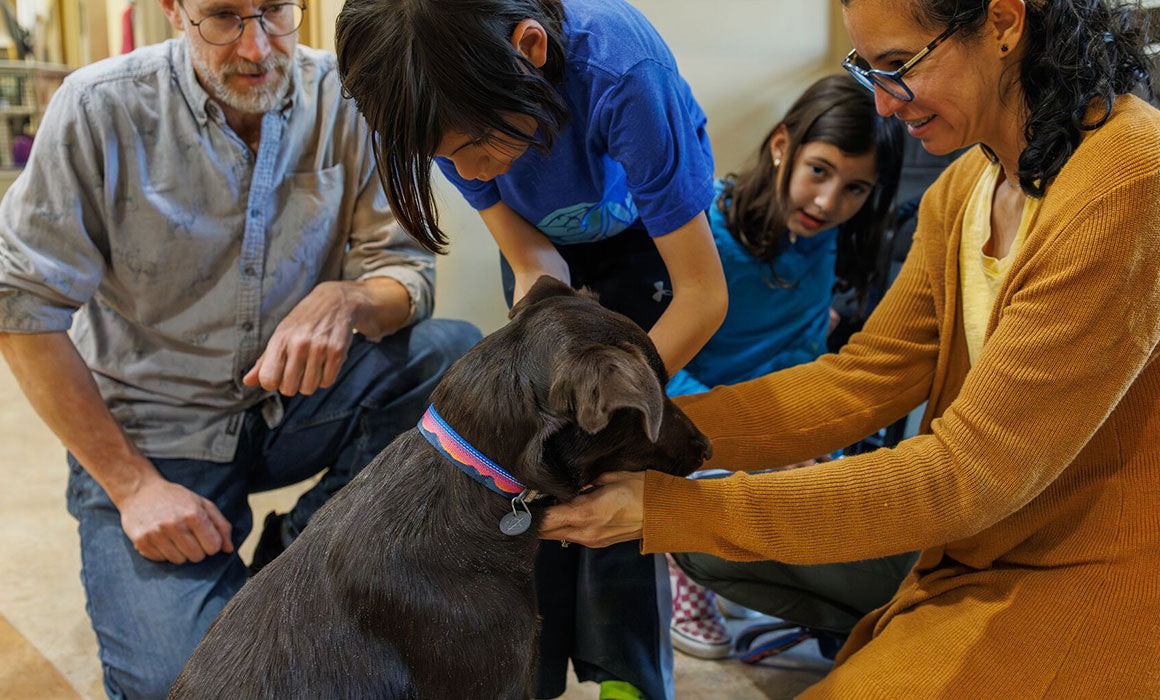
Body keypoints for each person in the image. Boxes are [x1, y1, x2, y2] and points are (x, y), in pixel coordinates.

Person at [543, 0, 1160, 695]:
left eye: (897, 67)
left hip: (1097, 580)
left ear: (1004, 23)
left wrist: (667, 508)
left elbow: (964, 476)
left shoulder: (1137, 181)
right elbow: (860, 379)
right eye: (870, 70)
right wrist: (640, 432)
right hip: (976, 552)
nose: (883, 107)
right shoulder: (967, 187)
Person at [0, 1, 481, 697]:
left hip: (291, 406)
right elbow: (22, 312)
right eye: (223, 17)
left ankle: (301, 555)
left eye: (274, 12)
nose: (256, 46)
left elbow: (406, 272)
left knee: (449, 358)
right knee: (189, 683)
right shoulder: (97, 108)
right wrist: (131, 487)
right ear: (172, 10)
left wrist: (347, 299)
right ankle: (229, 574)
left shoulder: (347, 99)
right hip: (155, 437)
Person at [335, 2, 725, 699]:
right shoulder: (438, 104)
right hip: (544, 254)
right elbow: (531, 258)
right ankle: (530, 675)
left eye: (477, 147)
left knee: (620, 460)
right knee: (532, 459)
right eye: (448, 158)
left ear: (531, 49)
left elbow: (702, 292)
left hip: (647, 245)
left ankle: (628, 677)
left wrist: (615, 403)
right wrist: (549, 349)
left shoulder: (623, 73)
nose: (469, 167)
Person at [661, 74, 912, 661]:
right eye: (819, 171)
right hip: (688, 416)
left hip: (758, 421)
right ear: (781, 146)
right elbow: (660, 368)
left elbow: (802, 359)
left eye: (855, 189)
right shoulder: (706, 237)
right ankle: (685, 577)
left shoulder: (825, 244)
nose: (828, 203)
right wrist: (743, 438)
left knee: (834, 480)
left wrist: (802, 439)